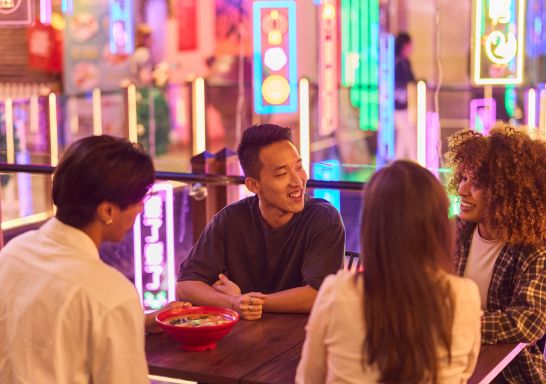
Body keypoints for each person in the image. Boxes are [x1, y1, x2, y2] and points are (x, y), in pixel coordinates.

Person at [0, 136, 169, 383]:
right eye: (138, 201)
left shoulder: (14, 253)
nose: (142, 209)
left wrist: (138, 322)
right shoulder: (111, 293)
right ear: (108, 211)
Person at [296, 160, 481, 383]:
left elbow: (309, 378)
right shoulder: (464, 295)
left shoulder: (336, 292)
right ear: (440, 226)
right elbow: (463, 374)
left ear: (372, 227)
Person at [176, 124, 345, 320]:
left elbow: (318, 296)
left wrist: (246, 301)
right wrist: (233, 303)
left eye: (298, 167)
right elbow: (185, 286)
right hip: (244, 341)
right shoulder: (231, 219)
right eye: (282, 174)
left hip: (302, 341)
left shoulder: (323, 219)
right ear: (253, 185)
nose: (298, 181)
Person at [446, 123, 546, 383]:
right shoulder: (453, 231)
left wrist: (458, 324)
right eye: (464, 178)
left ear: (507, 192)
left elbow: (530, 320)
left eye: (475, 183)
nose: (462, 190)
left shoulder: (534, 248)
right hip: (450, 360)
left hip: (510, 374)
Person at [394, 32, 417, 161]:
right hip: (397, 106)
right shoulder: (399, 62)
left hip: (402, 106)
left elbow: (411, 79)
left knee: (403, 138)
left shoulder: (402, 62)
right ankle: (416, 164)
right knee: (409, 136)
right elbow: (410, 79)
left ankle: (397, 162)